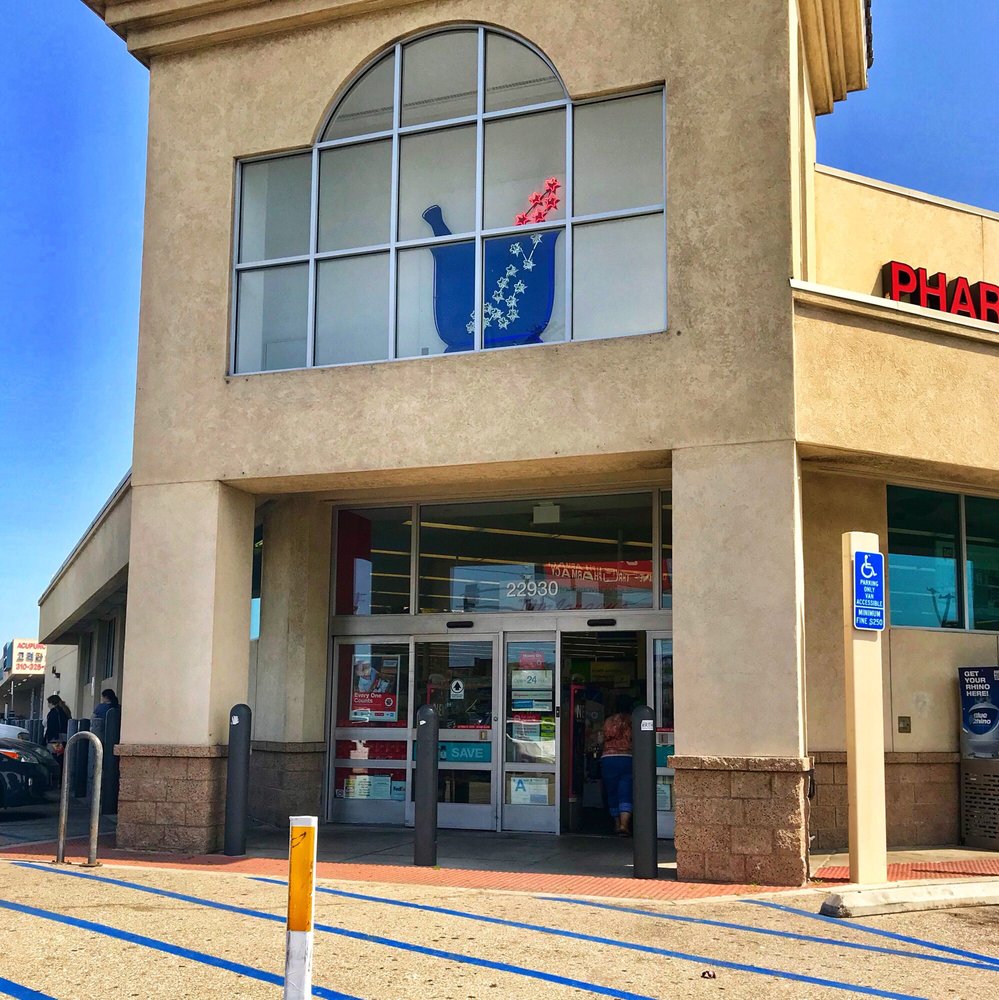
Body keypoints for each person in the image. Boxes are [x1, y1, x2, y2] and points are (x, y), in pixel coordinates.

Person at [600, 706, 633, 836]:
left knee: (612, 791)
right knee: (626, 790)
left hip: (608, 758)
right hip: (627, 757)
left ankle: (617, 823)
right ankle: (625, 825)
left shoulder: (608, 721)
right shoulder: (631, 720)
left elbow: (601, 738)